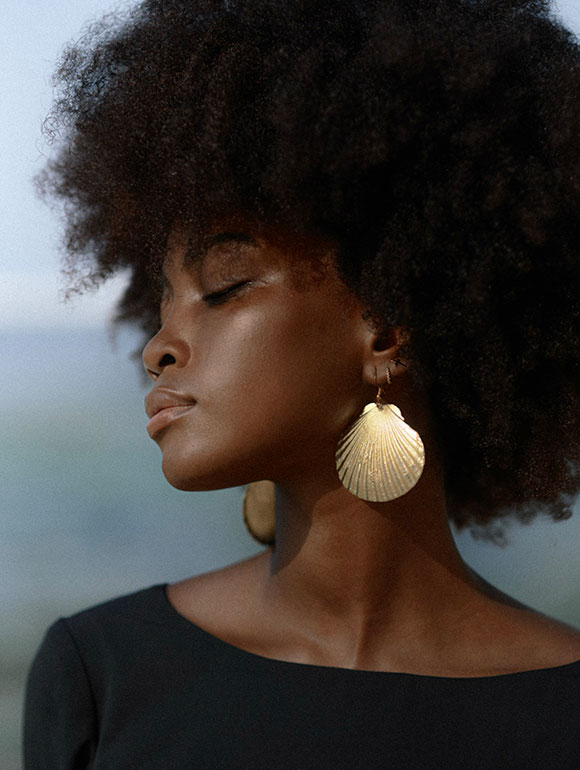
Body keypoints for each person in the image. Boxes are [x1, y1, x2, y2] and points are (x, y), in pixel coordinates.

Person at [24, 0, 580, 767]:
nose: (157, 348)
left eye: (224, 288)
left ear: (385, 331)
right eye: (161, 303)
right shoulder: (103, 675)